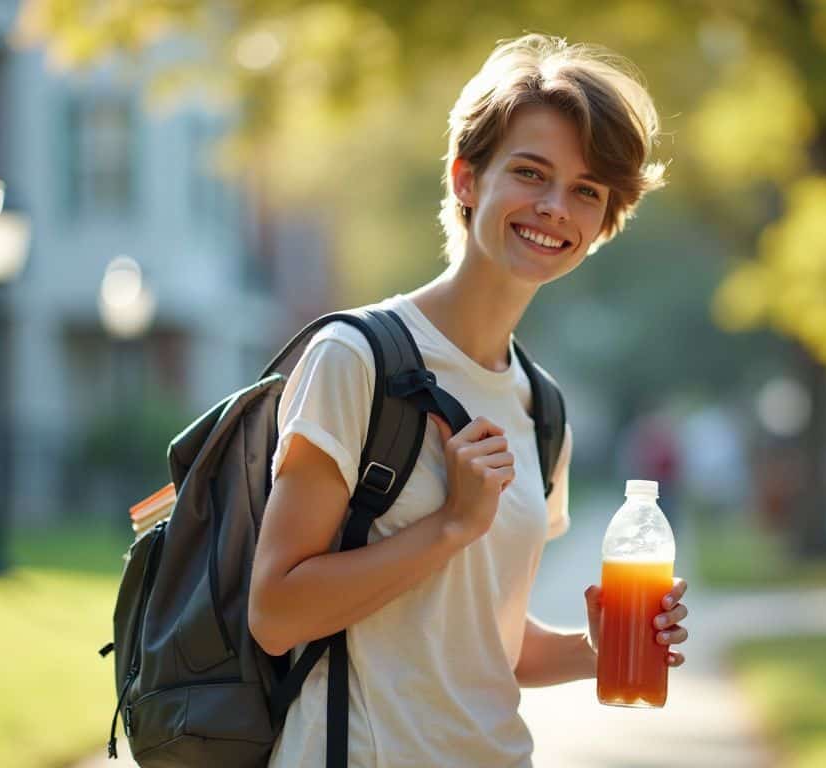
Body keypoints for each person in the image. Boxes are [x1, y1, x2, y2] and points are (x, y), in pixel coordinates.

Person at [248, 33, 692, 767]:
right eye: (530, 173)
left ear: (604, 222)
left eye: (586, 190)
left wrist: (601, 647)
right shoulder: (355, 360)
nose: (555, 208)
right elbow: (275, 614)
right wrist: (451, 525)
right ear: (465, 179)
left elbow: (491, 645)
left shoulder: (542, 409)